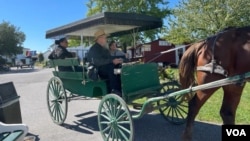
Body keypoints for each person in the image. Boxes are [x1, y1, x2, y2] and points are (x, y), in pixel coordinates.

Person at [87, 29, 123, 95]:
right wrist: (112, 61)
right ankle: (114, 90)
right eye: (105, 38)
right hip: (96, 71)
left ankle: (120, 88)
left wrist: (117, 61)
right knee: (112, 69)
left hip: (105, 70)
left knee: (119, 69)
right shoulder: (93, 49)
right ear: (100, 38)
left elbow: (109, 59)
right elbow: (97, 62)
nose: (106, 39)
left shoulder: (104, 49)